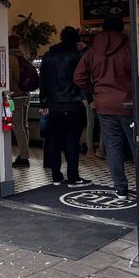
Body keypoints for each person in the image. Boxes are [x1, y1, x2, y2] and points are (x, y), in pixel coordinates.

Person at [74, 15, 134, 199]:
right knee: (137, 145)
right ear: (122, 28)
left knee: (113, 147)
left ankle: (120, 188)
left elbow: (78, 78)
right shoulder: (130, 48)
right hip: (128, 104)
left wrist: (95, 90)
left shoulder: (92, 51)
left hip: (104, 106)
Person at [39, 26, 91, 188]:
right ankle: (73, 177)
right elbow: (84, 77)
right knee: (72, 141)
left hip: (54, 105)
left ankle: (56, 175)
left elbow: (43, 81)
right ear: (76, 39)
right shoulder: (78, 56)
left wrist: (44, 103)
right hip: (73, 104)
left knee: (54, 140)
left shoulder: (48, 56)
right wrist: (87, 97)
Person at [8, 34, 31, 168]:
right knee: (24, 124)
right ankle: (24, 153)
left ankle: (24, 157)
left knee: (17, 126)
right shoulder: (23, 56)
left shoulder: (10, 58)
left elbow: (10, 80)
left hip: (16, 96)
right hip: (26, 95)